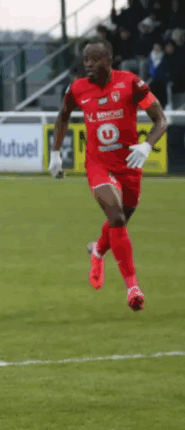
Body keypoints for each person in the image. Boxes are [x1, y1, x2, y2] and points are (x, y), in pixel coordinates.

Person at [48, 38, 167, 311]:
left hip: (129, 165)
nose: (89, 64)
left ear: (109, 60)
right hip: (98, 165)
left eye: (95, 59)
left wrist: (147, 145)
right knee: (116, 216)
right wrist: (55, 154)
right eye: (86, 59)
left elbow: (160, 118)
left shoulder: (131, 83)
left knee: (123, 217)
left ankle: (98, 250)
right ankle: (133, 288)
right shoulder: (77, 89)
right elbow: (63, 116)